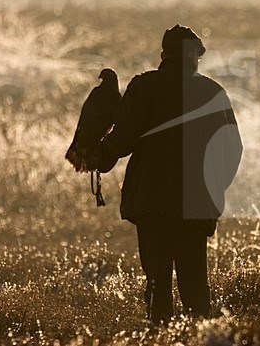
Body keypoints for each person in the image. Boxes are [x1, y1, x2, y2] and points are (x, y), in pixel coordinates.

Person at [93, 25, 243, 324]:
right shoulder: (214, 92)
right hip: (195, 204)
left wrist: (98, 155)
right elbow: (232, 150)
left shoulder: (144, 86)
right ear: (194, 57)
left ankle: (161, 337)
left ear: (164, 55)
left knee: (157, 285)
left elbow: (122, 140)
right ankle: (201, 340)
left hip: (151, 201)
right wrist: (209, 187)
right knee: (196, 288)